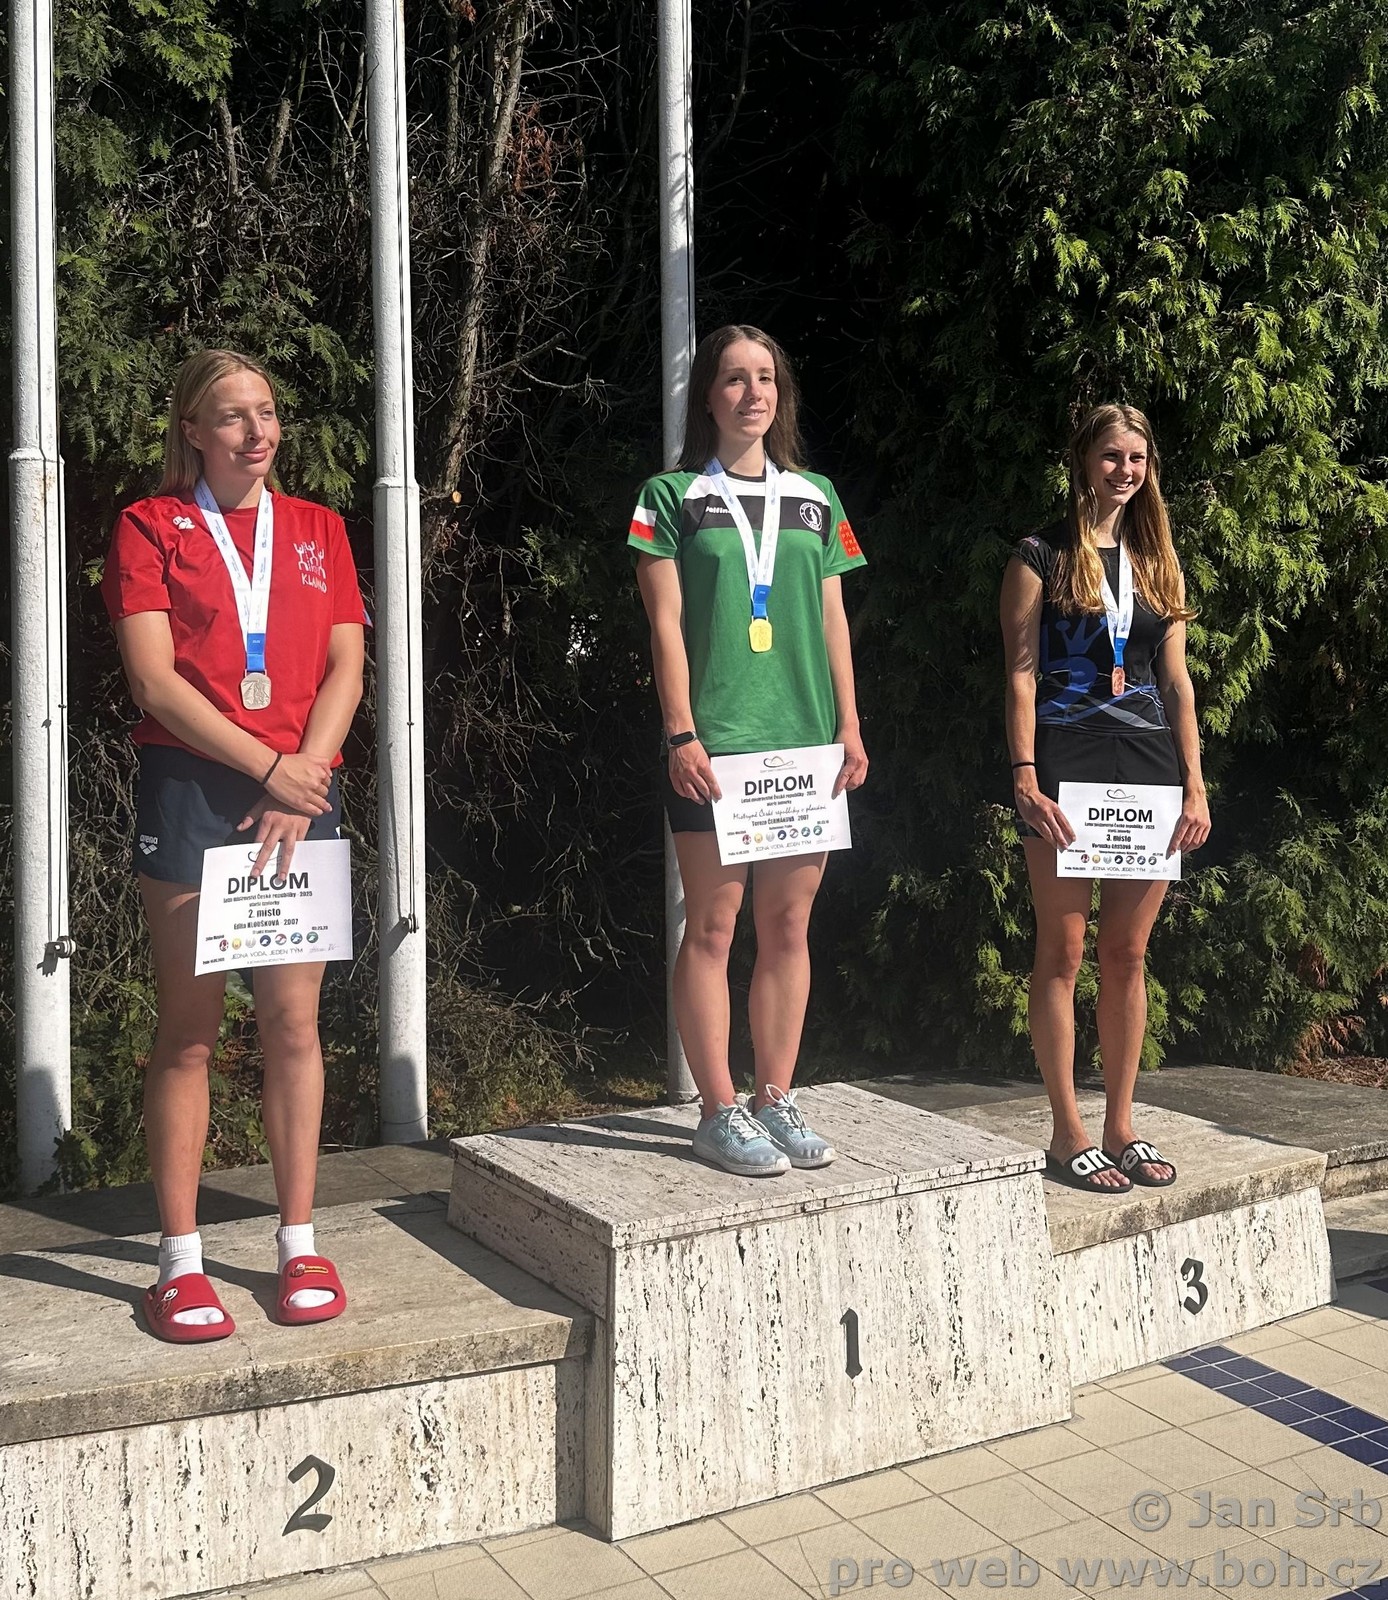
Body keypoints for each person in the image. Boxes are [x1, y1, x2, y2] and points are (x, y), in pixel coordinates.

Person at [102, 348, 367, 1339]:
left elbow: (346, 664)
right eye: (231, 416)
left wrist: (306, 773)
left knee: (294, 1027)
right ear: (193, 432)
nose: (257, 431)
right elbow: (153, 681)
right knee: (190, 1031)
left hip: (301, 791)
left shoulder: (318, 528)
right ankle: (179, 1261)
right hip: (194, 789)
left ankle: (298, 1242)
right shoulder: (149, 525)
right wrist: (271, 768)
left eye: (266, 411)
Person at [629, 324, 869, 1176]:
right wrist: (680, 731)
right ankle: (717, 1110)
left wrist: (850, 724)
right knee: (713, 927)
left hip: (804, 748)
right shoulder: (670, 496)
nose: (752, 393)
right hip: (716, 748)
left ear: (781, 393)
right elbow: (664, 625)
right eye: (734, 378)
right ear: (707, 394)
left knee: (789, 925)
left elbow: (833, 617)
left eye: (765, 377)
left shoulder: (816, 496)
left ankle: (775, 1097)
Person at [1000, 404, 1210, 1193]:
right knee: (1062, 952)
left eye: (1138, 459)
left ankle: (1121, 1125)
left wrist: (1195, 784)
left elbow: (1177, 682)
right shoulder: (1039, 555)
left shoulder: (1159, 560)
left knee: (1127, 954)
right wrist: (1024, 776)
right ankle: (1067, 1132)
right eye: (1112, 456)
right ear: (1084, 461)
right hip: (1064, 764)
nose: (1125, 471)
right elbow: (1020, 675)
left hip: (1149, 768)